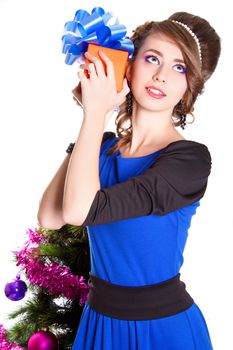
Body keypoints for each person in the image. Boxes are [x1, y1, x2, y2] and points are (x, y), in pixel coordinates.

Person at [37, 11, 221, 350]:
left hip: (163, 329)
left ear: (188, 87)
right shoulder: (101, 145)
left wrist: (94, 113)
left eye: (179, 67)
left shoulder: (189, 160)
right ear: (130, 65)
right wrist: (91, 120)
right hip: (98, 323)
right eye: (152, 58)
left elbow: (82, 211)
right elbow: (51, 216)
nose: (162, 76)